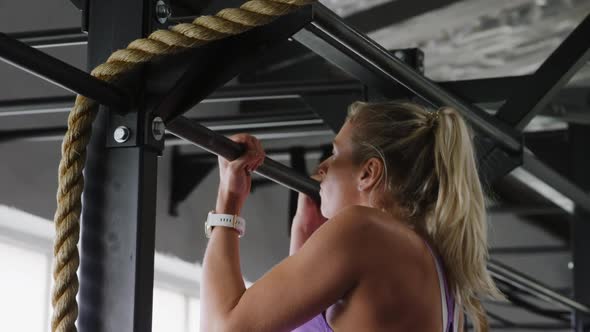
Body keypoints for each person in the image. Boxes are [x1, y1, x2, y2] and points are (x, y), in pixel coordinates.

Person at [199, 100, 502, 332]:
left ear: (369, 173)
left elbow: (224, 327)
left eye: (335, 153)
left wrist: (229, 201)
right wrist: (305, 240)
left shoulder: (364, 229)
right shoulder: (446, 284)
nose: (322, 169)